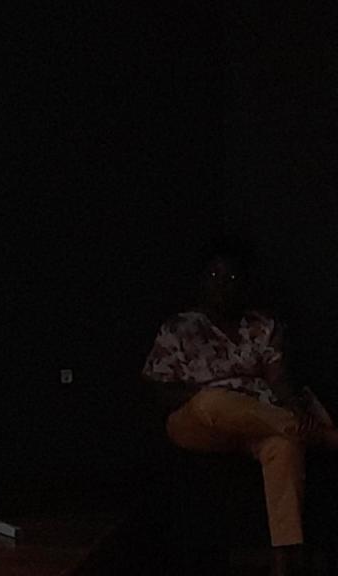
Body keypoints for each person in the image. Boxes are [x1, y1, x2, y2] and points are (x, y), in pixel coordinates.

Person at [142, 246, 338, 574]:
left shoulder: (262, 325)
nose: (223, 284)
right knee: (212, 400)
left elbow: (278, 378)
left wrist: (294, 405)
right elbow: (156, 388)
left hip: (253, 418)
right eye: (215, 275)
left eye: (231, 276)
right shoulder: (179, 327)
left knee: (284, 446)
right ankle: (323, 436)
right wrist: (203, 396)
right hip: (198, 421)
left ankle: (283, 562)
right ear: (202, 281)